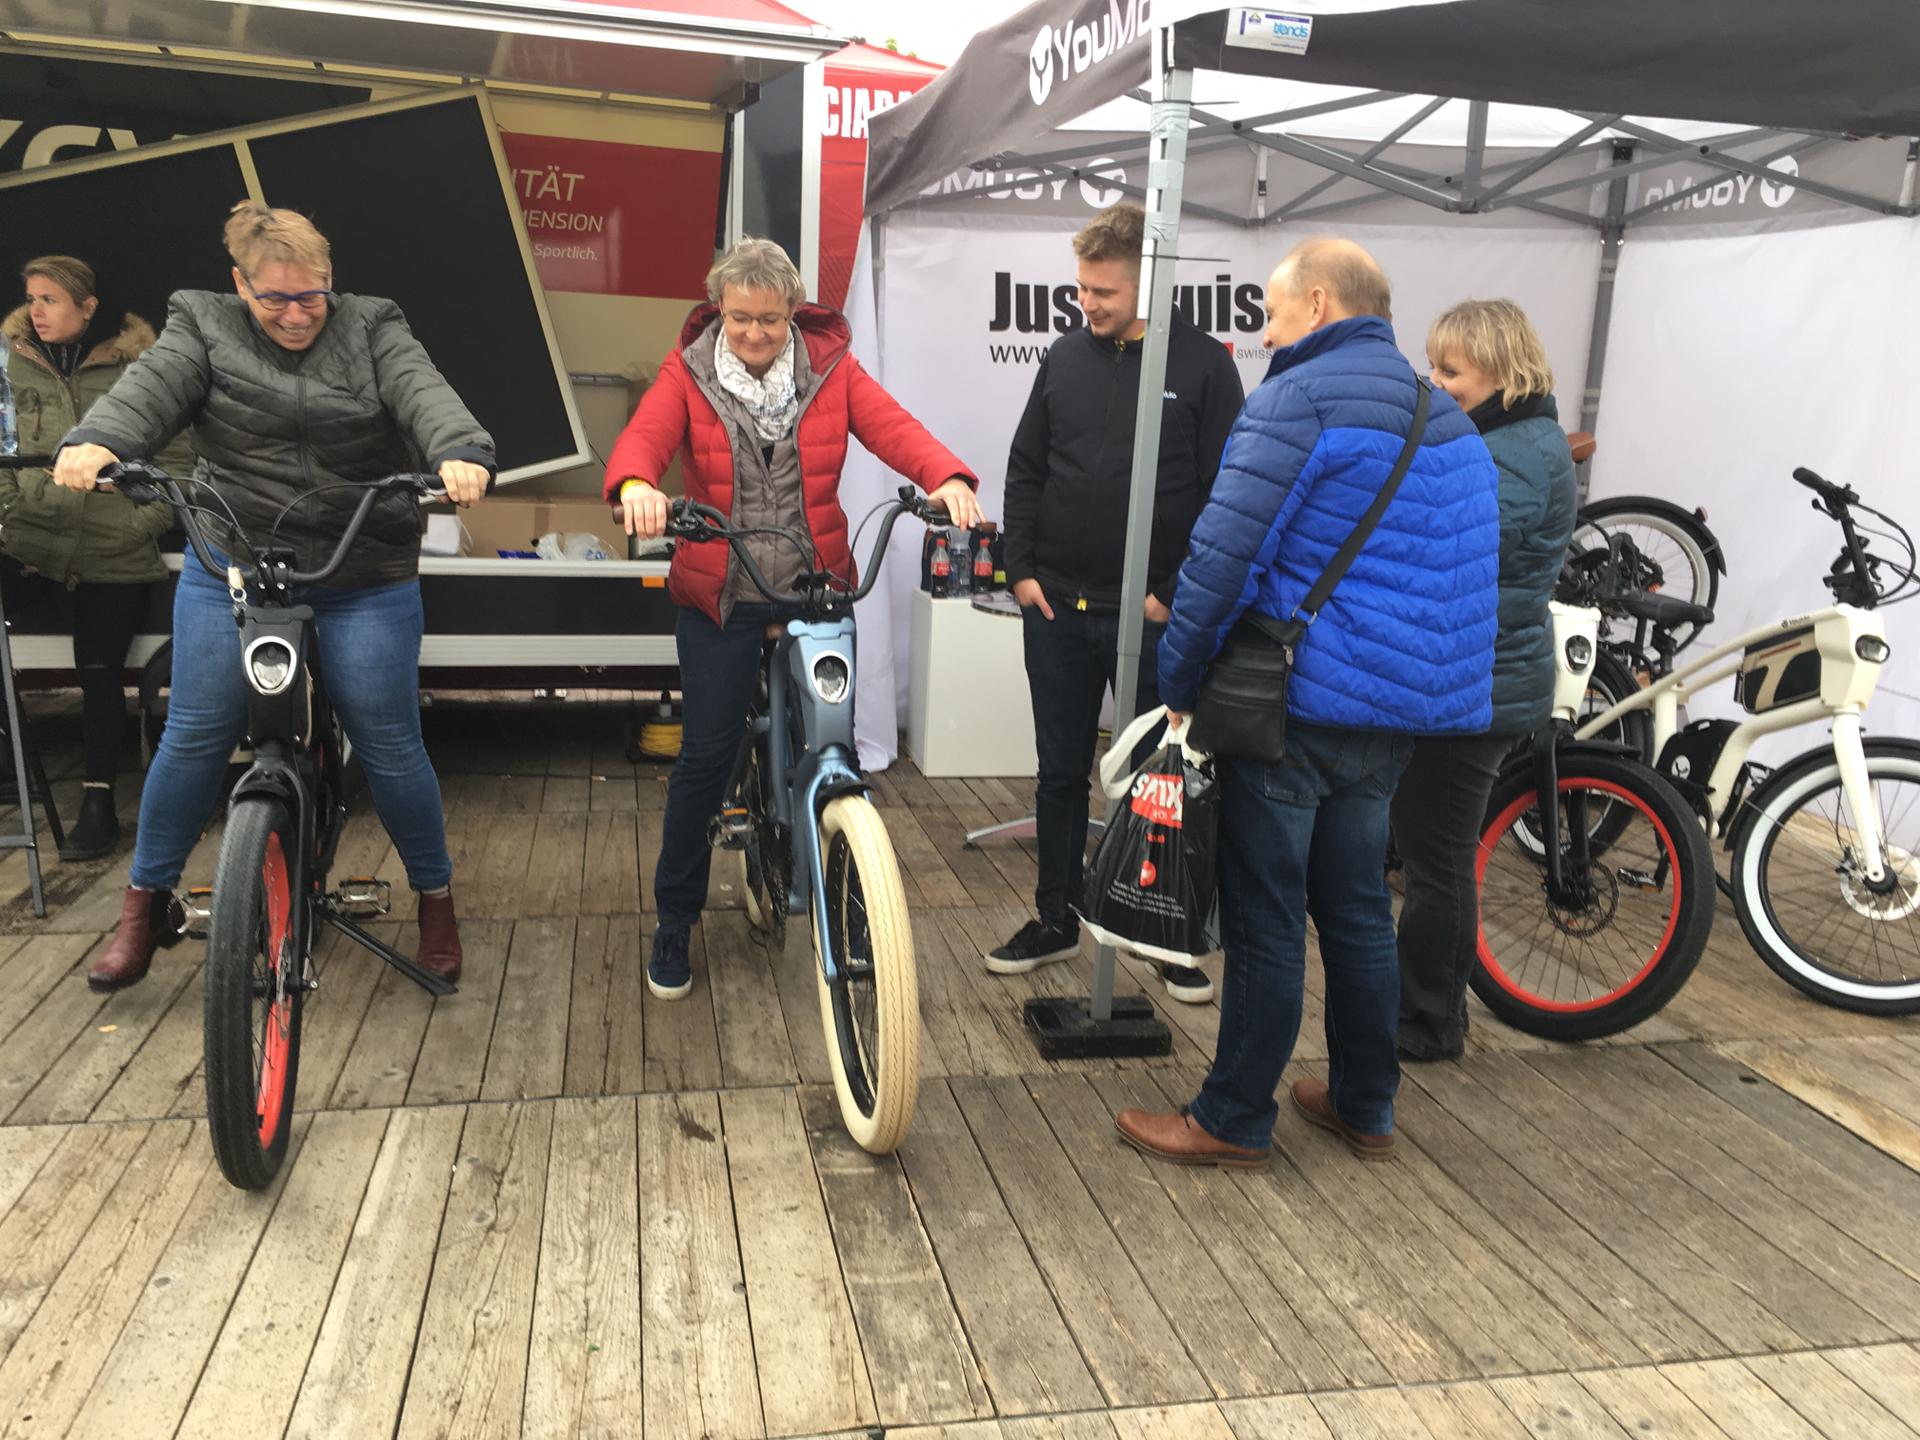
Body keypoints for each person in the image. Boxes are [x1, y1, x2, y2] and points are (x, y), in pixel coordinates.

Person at [1116, 237, 1499, 1168]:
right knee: (1359, 908)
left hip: (1291, 707)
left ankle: (1232, 1117)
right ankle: (1367, 1105)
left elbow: (1223, 559)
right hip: (1396, 717)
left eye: (1273, 311)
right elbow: (1463, 585)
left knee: (1268, 916)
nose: (1265, 330)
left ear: (1319, 304)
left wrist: (1178, 681)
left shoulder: (1297, 400)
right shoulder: (1448, 420)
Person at [53, 201, 494, 991]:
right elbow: (150, 389)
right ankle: (142, 908)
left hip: (362, 566)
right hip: (235, 561)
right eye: (275, 298)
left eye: (311, 295)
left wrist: (458, 451)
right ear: (240, 285)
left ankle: (436, 901)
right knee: (195, 731)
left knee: (389, 740)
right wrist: (97, 440)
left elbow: (421, 389)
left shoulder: (373, 324)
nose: (296, 314)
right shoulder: (200, 322)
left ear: (331, 280)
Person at [607, 237, 982, 1001]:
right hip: (721, 594)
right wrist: (637, 483)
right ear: (719, 309)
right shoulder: (687, 372)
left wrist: (944, 475)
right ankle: (675, 919)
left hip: (815, 586)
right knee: (705, 759)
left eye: (770, 320)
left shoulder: (831, 369)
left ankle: (853, 887)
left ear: (793, 314)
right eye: (741, 318)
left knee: (831, 747)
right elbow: (645, 437)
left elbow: (893, 427)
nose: (754, 333)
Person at [987, 201, 1244, 1003]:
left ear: (1150, 284)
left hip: (1155, 620)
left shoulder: (1205, 366)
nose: (1087, 304)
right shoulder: (1064, 357)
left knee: (1161, 779)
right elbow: (1026, 467)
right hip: (1057, 610)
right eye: (1082, 289)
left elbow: (1225, 496)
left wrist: (1174, 594)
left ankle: (1162, 935)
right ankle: (1055, 918)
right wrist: (1020, 570)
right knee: (1058, 773)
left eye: (1103, 291)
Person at [1396, 299, 1577, 1061]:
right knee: (1432, 856)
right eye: (1433, 366)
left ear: (1502, 370)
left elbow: (1450, 549)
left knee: (1438, 864)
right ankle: (1423, 1012)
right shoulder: (1507, 439)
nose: (1436, 382)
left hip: (1478, 686)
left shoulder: (1518, 454)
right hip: (1471, 677)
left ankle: (1429, 1023)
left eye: (1452, 370)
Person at [2, 256, 190, 860]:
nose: (36, 311)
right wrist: (10, 514)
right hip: (32, 539)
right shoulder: (11, 362)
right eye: (32, 298)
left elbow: (179, 460)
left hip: (114, 547)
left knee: (100, 671)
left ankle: (98, 803)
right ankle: (12, 762)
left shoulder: (141, 366)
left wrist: (142, 525)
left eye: (50, 299)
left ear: (88, 307)